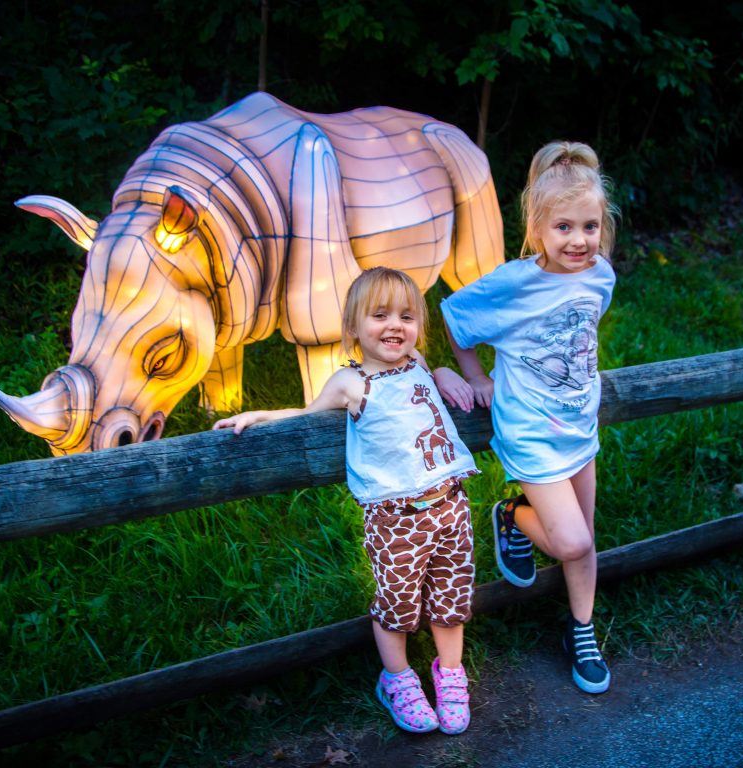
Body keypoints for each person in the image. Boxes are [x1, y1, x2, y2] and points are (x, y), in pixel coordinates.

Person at [213, 266, 480, 734]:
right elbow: (305, 415)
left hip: (451, 506)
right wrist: (261, 416)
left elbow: (429, 366)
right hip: (395, 517)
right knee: (397, 604)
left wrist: (442, 370)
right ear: (354, 327)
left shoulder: (416, 363)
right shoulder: (351, 382)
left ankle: (450, 675)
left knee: (451, 599)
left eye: (406, 316)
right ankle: (397, 679)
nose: (395, 325)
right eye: (380, 315)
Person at [440, 140, 618, 695]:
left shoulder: (600, 277)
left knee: (586, 538)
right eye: (564, 227)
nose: (579, 240)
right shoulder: (513, 283)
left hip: (579, 427)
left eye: (590, 227)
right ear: (537, 227)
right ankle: (512, 514)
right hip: (531, 433)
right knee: (571, 541)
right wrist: (475, 376)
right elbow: (453, 314)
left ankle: (582, 630)